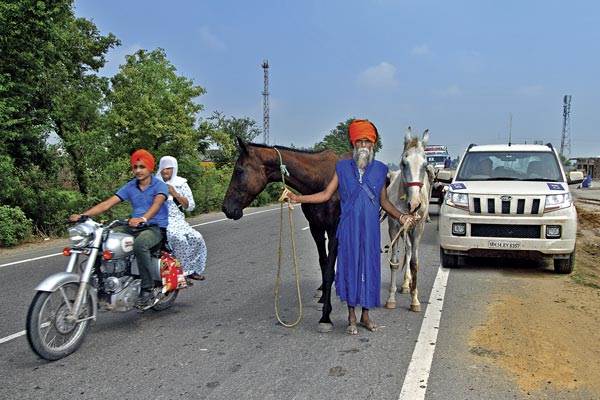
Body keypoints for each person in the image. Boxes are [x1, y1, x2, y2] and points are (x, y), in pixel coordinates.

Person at [284, 119, 419, 335]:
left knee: (369, 269)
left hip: (371, 230)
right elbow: (326, 194)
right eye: (360, 141)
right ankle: (351, 316)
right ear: (353, 144)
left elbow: (384, 202)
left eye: (368, 141)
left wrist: (402, 217)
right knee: (349, 269)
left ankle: (366, 315)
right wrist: (298, 198)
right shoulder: (342, 168)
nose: (364, 145)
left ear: (373, 145)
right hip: (348, 228)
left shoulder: (381, 170)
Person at [70, 149, 169, 307]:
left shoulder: (160, 186)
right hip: (132, 226)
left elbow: (157, 204)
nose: (138, 170)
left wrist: (143, 218)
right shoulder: (130, 186)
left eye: (142, 167)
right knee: (105, 239)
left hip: (154, 227)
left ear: (150, 168)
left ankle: (147, 288)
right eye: (135, 167)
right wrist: (83, 216)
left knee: (140, 244)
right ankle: (104, 279)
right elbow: (107, 204)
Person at [156, 156, 207, 283]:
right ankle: (180, 273)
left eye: (168, 168)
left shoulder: (181, 184)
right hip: (162, 221)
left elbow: (190, 206)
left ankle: (192, 270)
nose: (165, 171)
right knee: (179, 239)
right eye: (163, 168)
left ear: (174, 169)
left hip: (179, 220)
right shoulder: (154, 183)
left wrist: (175, 194)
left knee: (197, 238)